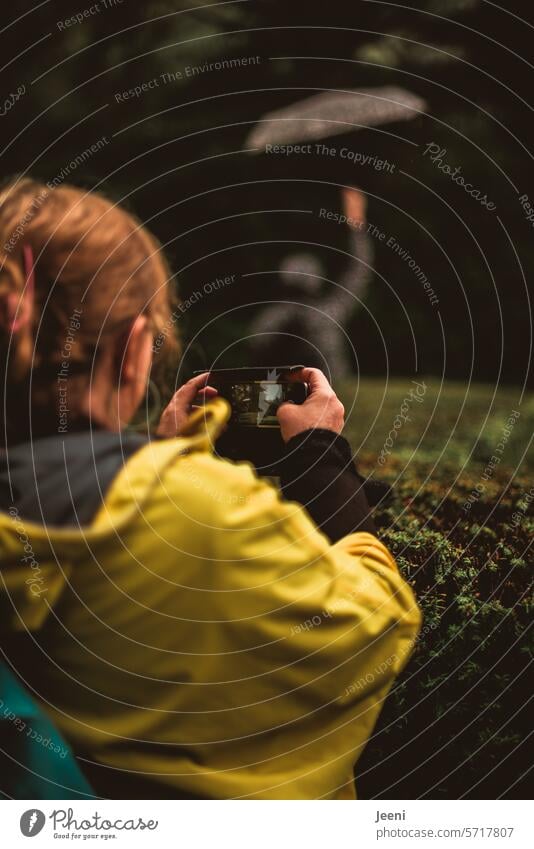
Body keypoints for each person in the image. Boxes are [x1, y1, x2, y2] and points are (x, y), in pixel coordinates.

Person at [0, 178, 420, 800]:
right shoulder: (201, 517)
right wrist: (320, 459)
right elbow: (375, 623)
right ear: (137, 350)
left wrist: (165, 461)